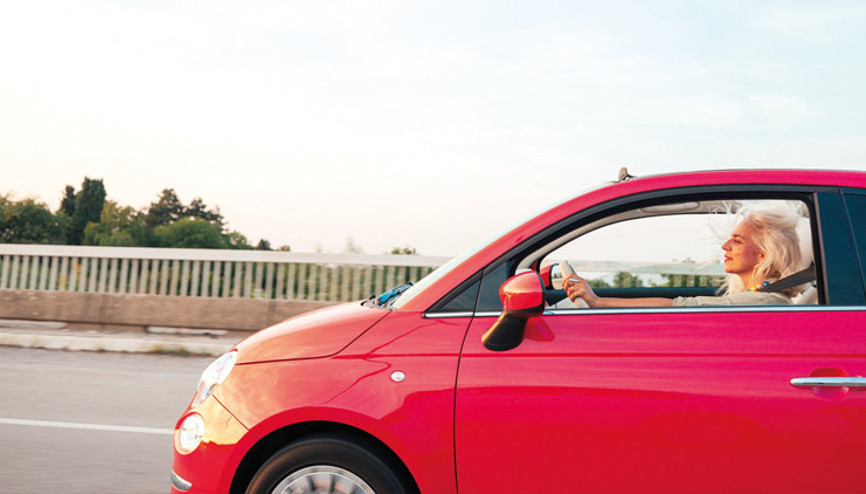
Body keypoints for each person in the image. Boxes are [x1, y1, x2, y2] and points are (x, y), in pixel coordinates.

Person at [564, 204, 807, 307]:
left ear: (762, 256)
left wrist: (597, 302)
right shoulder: (760, 299)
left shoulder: (763, 302)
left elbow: (680, 306)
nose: (725, 246)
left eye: (737, 240)